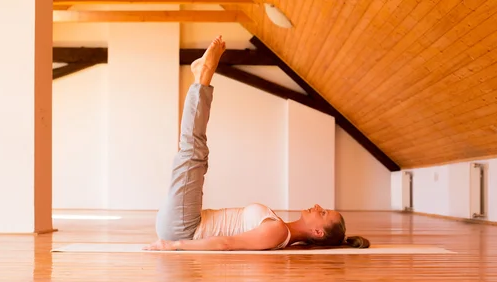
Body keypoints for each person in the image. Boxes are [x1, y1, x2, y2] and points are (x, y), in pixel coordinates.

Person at [144, 36, 370, 252]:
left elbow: (226, 243)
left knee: (194, 152)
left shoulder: (277, 232)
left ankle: (203, 76)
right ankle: (201, 77)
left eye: (323, 214)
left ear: (318, 232)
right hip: (187, 221)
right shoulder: (279, 228)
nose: (319, 206)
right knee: (195, 154)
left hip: (184, 229)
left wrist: (173, 245)